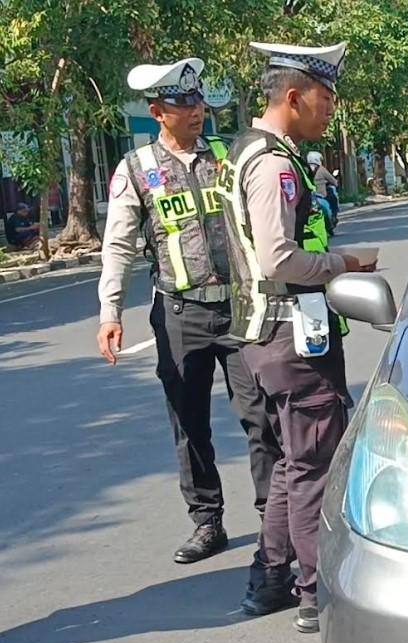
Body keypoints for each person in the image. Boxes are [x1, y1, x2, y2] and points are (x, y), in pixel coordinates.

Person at [96, 57, 281, 564]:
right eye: (183, 104)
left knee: (261, 415)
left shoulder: (228, 154)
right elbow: (118, 245)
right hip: (181, 313)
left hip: (241, 309)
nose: (196, 111)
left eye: (198, 101)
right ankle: (207, 520)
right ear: (158, 111)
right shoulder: (136, 169)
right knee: (189, 421)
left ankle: (274, 518)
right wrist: (111, 311)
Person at [217, 40, 374, 634]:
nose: (331, 110)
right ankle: (315, 593)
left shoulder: (252, 150)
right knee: (315, 465)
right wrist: (344, 264)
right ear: (293, 96)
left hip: (268, 334)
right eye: (325, 99)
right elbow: (279, 259)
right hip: (290, 335)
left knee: (291, 463)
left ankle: (270, 580)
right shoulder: (274, 164)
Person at [306, 150, 340, 230]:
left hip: (309, 197)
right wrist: (335, 182)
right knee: (330, 202)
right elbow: (333, 181)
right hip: (320, 197)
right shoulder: (321, 169)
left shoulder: (305, 169)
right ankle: (332, 219)